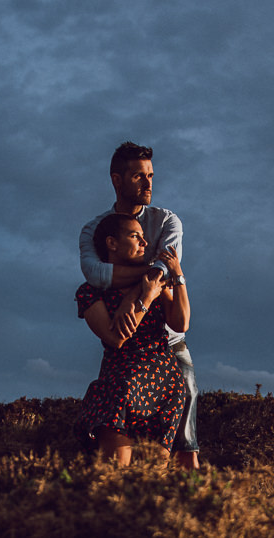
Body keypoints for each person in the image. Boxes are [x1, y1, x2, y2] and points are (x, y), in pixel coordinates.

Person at [79, 141, 201, 469]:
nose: (148, 183)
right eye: (138, 176)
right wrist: (148, 285)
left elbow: (164, 274)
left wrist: (139, 295)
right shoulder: (94, 230)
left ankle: (194, 500)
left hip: (167, 355)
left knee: (185, 451)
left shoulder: (167, 221)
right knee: (115, 469)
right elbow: (96, 274)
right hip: (123, 371)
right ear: (117, 180)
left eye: (150, 175)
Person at [76, 213, 189, 465]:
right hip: (119, 385)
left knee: (152, 479)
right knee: (115, 474)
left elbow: (181, 324)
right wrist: (146, 299)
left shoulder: (152, 281)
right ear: (112, 243)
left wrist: (177, 275)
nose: (144, 243)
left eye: (143, 237)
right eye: (135, 236)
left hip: (165, 385)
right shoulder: (90, 292)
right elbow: (115, 339)